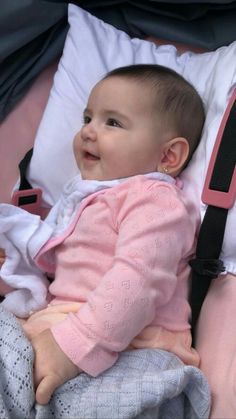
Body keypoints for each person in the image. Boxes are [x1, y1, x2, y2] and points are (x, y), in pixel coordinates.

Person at [0, 64, 205, 405]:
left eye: (112, 122)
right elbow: (62, 269)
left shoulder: (155, 200)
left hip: (133, 347)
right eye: (87, 118)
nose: (88, 132)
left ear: (169, 155)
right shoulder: (87, 199)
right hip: (61, 328)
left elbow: (138, 278)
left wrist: (77, 344)